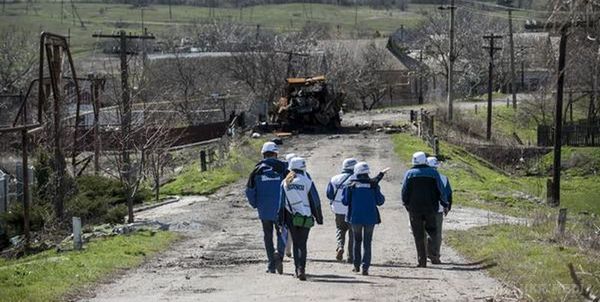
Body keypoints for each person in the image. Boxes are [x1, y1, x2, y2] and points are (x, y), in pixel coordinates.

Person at [245, 142, 288, 274]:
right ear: (276, 154)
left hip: (264, 210)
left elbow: (249, 190)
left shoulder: (256, 170)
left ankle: (271, 265)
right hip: (281, 208)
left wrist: (255, 204)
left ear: (263, 154)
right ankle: (279, 255)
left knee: (267, 236)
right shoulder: (284, 169)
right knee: (283, 232)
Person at [278, 157, 323, 281]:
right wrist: (318, 217)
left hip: (291, 217)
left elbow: (281, 203)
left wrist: (280, 220)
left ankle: (296, 269)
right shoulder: (307, 181)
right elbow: (315, 201)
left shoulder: (285, 182)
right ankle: (301, 269)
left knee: (295, 243)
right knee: (302, 244)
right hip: (306, 217)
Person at [401, 151, 448, 268]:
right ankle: (433, 255)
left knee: (418, 235)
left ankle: (421, 261)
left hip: (414, 208)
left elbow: (404, 190)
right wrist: (444, 202)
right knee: (432, 231)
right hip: (431, 207)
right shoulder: (433, 173)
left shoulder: (409, 173)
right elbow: (440, 189)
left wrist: (406, 203)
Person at [342, 162, 385, 276]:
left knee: (357, 241)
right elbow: (380, 201)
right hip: (370, 218)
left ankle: (356, 266)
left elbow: (345, 201)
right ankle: (365, 267)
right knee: (367, 242)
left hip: (355, 217)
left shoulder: (351, 185)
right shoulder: (373, 184)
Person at [326, 158, 357, 263]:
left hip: (338, 209)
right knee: (353, 233)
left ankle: (340, 246)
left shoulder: (335, 179)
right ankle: (351, 257)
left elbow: (329, 194)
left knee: (340, 229)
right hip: (352, 210)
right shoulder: (357, 179)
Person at [426, 156, 453, 264]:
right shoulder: (443, 178)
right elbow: (449, 194)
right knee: (436, 233)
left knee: (424, 231)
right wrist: (448, 207)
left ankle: (425, 253)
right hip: (439, 209)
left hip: (425, 208)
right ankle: (435, 254)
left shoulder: (423, 176)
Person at [283, 153, 297, 258]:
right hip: (297, 206)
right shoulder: (302, 175)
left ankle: (286, 249)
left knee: (284, 228)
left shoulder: (283, 173)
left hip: (285, 205)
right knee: (295, 230)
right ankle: (295, 250)